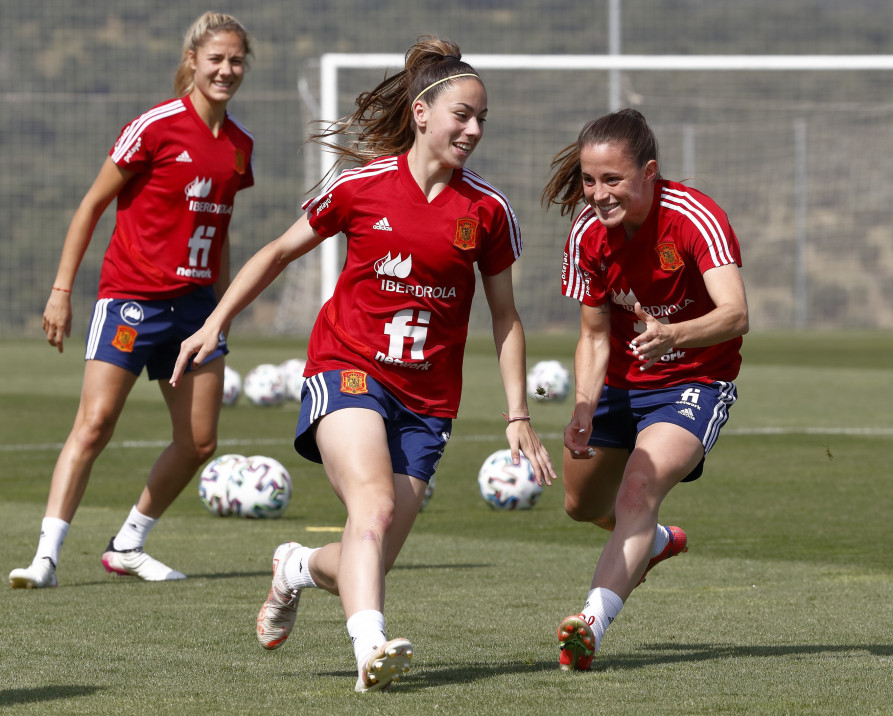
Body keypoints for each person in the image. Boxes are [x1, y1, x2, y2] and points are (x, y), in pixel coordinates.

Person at [171, 35, 556, 693]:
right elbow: (276, 253)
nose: (473, 128)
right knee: (372, 506)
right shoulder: (361, 187)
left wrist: (518, 411)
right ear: (422, 113)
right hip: (347, 370)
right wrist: (215, 321)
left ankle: (293, 567)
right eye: (462, 114)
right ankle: (370, 648)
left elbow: (506, 318)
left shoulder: (488, 211)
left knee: (366, 555)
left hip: (428, 402)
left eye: (482, 118)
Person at [9, 13, 255, 590]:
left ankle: (128, 543)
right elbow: (91, 206)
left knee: (199, 442)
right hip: (131, 303)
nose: (226, 69)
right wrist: (62, 291)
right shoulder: (154, 126)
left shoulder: (241, 145)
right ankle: (44, 557)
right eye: (216, 58)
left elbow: (218, 235)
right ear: (193, 59)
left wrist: (218, 314)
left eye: (237, 60)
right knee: (94, 425)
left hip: (196, 311)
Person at [541, 108, 749, 671]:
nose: (598, 193)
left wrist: (674, 334)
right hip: (618, 383)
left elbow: (736, 314)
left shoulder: (695, 217)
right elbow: (593, 334)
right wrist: (583, 406)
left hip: (693, 380)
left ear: (649, 172)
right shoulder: (588, 234)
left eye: (612, 180)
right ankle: (651, 542)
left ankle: (588, 627)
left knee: (637, 488)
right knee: (582, 506)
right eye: (589, 180)